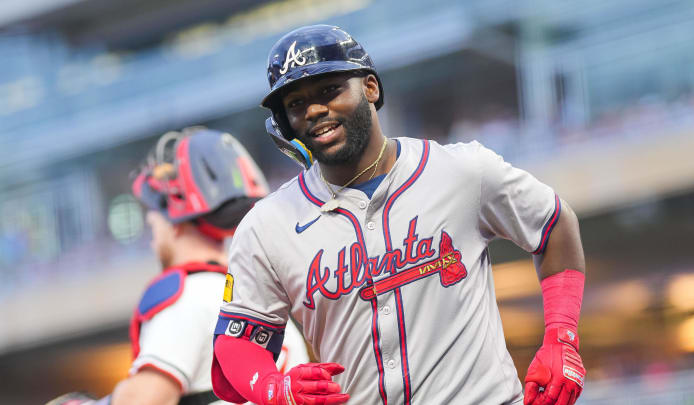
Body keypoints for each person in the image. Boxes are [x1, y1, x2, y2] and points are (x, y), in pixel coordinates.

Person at [212, 25, 586, 405]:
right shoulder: (267, 225)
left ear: (370, 88)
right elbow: (236, 342)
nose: (314, 110)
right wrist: (277, 389)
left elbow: (554, 223)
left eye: (329, 90)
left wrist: (562, 337)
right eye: (296, 104)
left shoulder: (463, 171)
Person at [47, 128, 308, 405]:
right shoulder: (254, 294)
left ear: (174, 217)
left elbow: (145, 401)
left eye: (153, 214)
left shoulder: (187, 298)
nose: (151, 226)